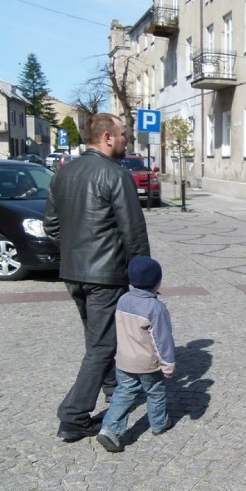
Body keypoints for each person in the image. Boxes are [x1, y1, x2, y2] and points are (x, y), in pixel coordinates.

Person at [44, 113, 151, 442]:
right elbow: (133, 232)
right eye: (122, 135)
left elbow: (51, 226)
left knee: (98, 341)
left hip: (73, 274)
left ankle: (113, 388)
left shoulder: (64, 173)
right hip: (105, 275)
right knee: (102, 345)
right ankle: (73, 416)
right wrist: (144, 278)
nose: (125, 140)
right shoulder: (115, 175)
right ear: (107, 137)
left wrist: (76, 251)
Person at [96, 256, 176, 453]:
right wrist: (168, 364)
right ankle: (159, 424)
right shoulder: (156, 308)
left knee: (124, 392)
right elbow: (162, 340)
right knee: (155, 392)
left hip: (123, 360)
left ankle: (110, 429)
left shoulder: (123, 300)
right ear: (157, 282)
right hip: (147, 363)